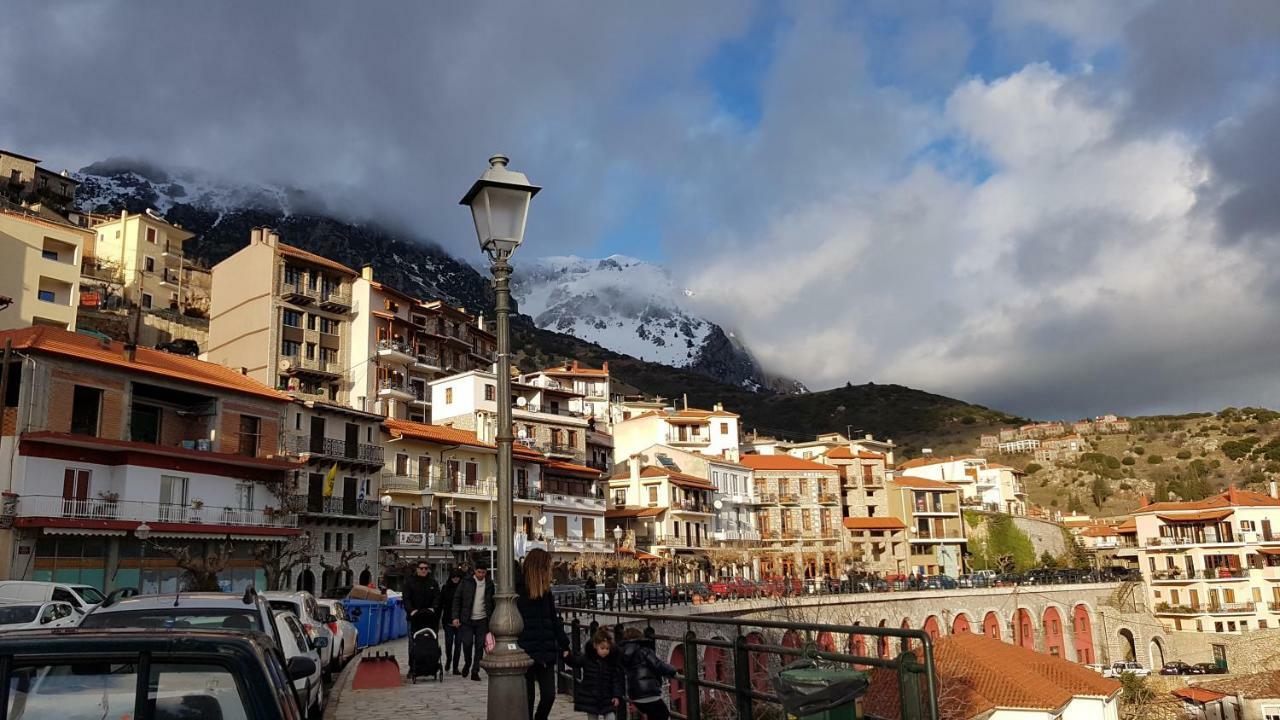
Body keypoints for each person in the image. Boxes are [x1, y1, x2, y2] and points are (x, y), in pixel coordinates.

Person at [517, 548, 570, 720]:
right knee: (528, 699)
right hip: (525, 652)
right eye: (547, 567)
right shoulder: (518, 591)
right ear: (538, 568)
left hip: (546, 651)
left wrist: (564, 644)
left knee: (549, 695)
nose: (550, 572)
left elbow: (553, 620)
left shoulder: (546, 593)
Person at [565, 627, 625, 720]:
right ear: (595, 646)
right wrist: (567, 657)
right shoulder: (587, 658)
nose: (605, 651)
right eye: (602, 648)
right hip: (591, 697)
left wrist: (617, 695)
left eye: (607, 648)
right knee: (592, 717)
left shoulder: (611, 661)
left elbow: (615, 680)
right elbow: (575, 662)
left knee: (611, 717)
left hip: (607, 697)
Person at [620, 627, 676, 720]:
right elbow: (658, 665)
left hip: (635, 696)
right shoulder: (644, 650)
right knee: (663, 713)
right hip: (649, 694)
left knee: (653, 715)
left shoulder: (623, 654)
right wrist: (672, 670)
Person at [451, 562, 494, 680]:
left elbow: (492, 602)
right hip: (467, 619)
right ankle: (468, 663)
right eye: (479, 572)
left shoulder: (489, 584)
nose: (481, 575)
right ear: (475, 571)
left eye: (483, 572)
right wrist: (455, 617)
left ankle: (475, 670)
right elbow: (457, 599)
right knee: (467, 644)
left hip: (482, 620)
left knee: (480, 646)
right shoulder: (466, 582)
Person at [436, 568, 464, 673]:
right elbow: (440, 604)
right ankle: (449, 660)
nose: (456, 578)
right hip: (448, 620)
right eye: (454, 576)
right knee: (449, 643)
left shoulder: (463, 588)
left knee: (458, 644)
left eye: (458, 576)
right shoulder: (445, 588)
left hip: (460, 621)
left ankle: (455, 667)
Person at [402, 562, 439, 635]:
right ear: (417, 569)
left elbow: (437, 597)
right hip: (414, 617)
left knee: (431, 640)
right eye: (421, 568)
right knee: (413, 641)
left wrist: (433, 608)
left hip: (430, 617)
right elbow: (406, 598)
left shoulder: (433, 582)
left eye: (426, 568)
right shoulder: (410, 582)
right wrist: (411, 610)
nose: (424, 570)